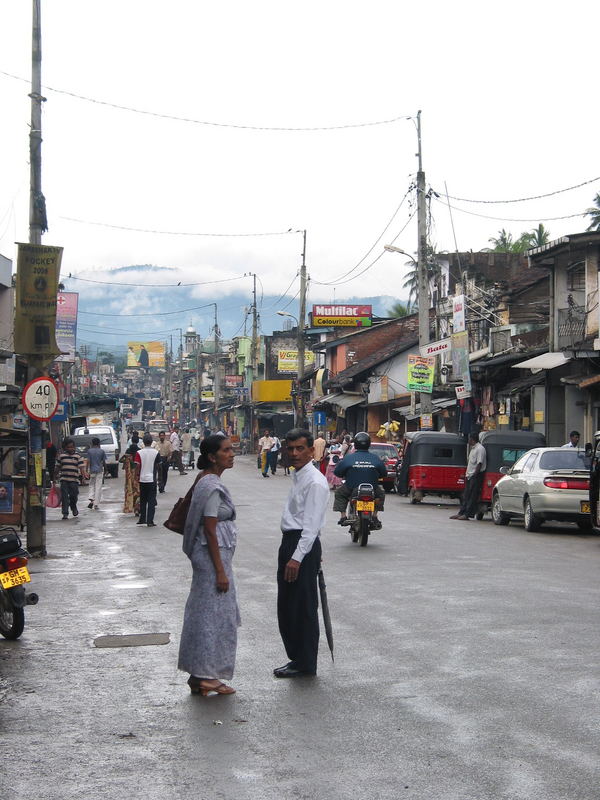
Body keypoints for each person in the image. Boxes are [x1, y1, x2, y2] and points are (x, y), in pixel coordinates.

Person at [178, 434, 239, 696]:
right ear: (213, 457)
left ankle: (200, 674)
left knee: (207, 615)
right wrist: (220, 572)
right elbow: (211, 530)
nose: (232, 454)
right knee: (213, 618)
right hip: (212, 559)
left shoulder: (207, 480)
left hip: (212, 559)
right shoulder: (211, 485)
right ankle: (206, 676)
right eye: (226, 450)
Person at [274, 428, 329, 679]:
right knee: (288, 605)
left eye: (300, 449)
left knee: (303, 606)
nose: (294, 453)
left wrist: (298, 557)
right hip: (292, 543)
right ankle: (297, 657)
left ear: (311, 451)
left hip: (300, 546)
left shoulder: (315, 482)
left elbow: (311, 525)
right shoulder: (299, 476)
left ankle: (306, 662)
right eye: (291, 448)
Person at [333, 432, 386, 528]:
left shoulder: (348, 458)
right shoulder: (375, 458)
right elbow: (384, 473)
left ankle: (343, 516)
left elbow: (337, 472)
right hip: (372, 489)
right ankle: (374, 515)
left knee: (339, 493)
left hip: (351, 487)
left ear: (355, 444)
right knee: (381, 494)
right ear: (369, 444)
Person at [450, 432, 487, 521]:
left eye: (469, 439)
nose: (468, 441)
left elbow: (479, 463)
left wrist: (474, 475)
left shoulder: (480, 449)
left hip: (476, 476)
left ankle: (467, 514)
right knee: (466, 495)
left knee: (472, 496)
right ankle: (461, 512)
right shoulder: (473, 449)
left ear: (472, 439)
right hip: (469, 475)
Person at [55, 438, 87, 520]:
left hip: (74, 480)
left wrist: (83, 478)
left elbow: (82, 469)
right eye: (68, 447)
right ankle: (65, 513)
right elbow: (57, 467)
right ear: (65, 448)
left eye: (72, 447)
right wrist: (54, 476)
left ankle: (73, 507)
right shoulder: (61, 456)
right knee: (64, 497)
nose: (70, 449)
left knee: (74, 496)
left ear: (74, 447)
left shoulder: (78, 456)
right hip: (64, 480)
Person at [134, 434, 159, 527]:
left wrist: (136, 476)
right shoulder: (156, 452)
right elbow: (158, 465)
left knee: (143, 500)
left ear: (143, 442)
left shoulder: (139, 453)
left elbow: (137, 466)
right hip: (151, 479)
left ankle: (142, 519)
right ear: (151, 442)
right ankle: (150, 521)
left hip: (142, 479)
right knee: (151, 501)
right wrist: (158, 477)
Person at [119, 441, 141, 514]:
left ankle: (131, 506)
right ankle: (137, 507)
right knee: (138, 492)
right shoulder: (138, 457)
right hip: (137, 477)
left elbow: (120, 461)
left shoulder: (128, 458)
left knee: (130, 492)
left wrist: (125, 456)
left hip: (129, 479)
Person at [85, 437, 106, 510]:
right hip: (99, 470)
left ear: (92, 443)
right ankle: (96, 503)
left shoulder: (89, 451)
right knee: (98, 486)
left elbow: (88, 461)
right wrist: (106, 470)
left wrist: (86, 470)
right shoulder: (101, 451)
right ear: (99, 443)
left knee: (91, 485)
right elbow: (103, 462)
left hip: (92, 470)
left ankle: (91, 498)